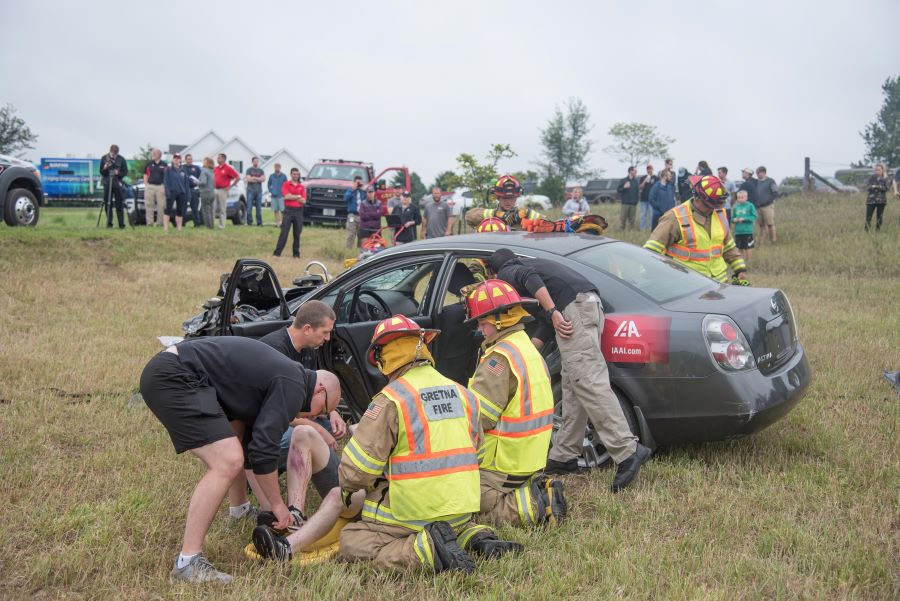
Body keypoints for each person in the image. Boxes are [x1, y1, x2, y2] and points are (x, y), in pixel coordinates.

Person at [138, 337, 340, 583]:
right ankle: (188, 562)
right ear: (320, 390)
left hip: (176, 370)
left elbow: (254, 448)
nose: (317, 416)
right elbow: (265, 449)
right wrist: (277, 505)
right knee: (227, 460)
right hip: (175, 376)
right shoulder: (294, 384)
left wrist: (269, 507)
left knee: (238, 434)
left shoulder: (287, 377)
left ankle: (240, 509)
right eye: (322, 410)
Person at [335, 316, 521, 573]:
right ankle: (471, 538)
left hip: (412, 514)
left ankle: (425, 550)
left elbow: (356, 472)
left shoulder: (391, 399)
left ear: (383, 359)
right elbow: (476, 454)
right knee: (453, 527)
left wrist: (348, 488)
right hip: (459, 511)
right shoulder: (463, 394)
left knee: (352, 541)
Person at [488, 249, 651, 492]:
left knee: (588, 381)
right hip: (585, 306)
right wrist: (531, 350)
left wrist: (553, 311)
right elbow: (544, 322)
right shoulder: (538, 267)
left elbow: (530, 278)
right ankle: (564, 455)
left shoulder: (509, 270)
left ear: (493, 273)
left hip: (573, 310)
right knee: (574, 384)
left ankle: (628, 451)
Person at [463, 279, 567, 528]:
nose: (479, 328)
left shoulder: (499, 359)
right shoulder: (526, 348)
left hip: (502, 463)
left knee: (460, 505)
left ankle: (535, 505)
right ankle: (530, 491)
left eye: (482, 321)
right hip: (531, 458)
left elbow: (480, 417)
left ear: (499, 320)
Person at [644, 175, 749, 285]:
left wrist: (740, 270)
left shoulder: (720, 214)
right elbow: (650, 251)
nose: (712, 210)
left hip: (719, 285)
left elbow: (729, 246)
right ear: (697, 197)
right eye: (709, 206)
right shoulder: (675, 217)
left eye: (715, 206)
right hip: (685, 286)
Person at [464, 175, 543, 230]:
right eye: (505, 198)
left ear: (516, 198)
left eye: (511, 198)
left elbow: (547, 223)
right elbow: (469, 216)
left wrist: (527, 214)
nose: (508, 201)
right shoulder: (490, 215)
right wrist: (498, 215)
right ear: (498, 197)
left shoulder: (524, 214)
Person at [273, 168, 305, 258]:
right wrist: (298, 196)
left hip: (298, 211)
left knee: (297, 233)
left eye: (297, 174)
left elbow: (304, 201)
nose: (296, 176)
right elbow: (286, 197)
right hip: (288, 211)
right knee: (284, 233)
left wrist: (293, 197)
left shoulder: (301, 186)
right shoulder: (286, 184)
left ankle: (296, 254)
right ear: (291, 174)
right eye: (294, 174)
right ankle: (277, 253)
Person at [99, 144, 127, 229]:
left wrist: (118, 173)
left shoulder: (121, 159)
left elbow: (125, 171)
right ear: (110, 151)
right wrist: (104, 168)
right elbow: (101, 172)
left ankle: (121, 225)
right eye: (113, 154)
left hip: (118, 183)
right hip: (108, 183)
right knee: (108, 204)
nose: (114, 155)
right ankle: (109, 224)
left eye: (116, 154)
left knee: (119, 204)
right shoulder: (104, 158)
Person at [163, 154, 190, 231]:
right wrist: (167, 192)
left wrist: (187, 195)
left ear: (180, 160)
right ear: (172, 159)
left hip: (182, 193)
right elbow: (166, 182)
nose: (176, 160)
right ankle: (165, 228)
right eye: (175, 158)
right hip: (171, 193)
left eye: (178, 158)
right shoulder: (168, 169)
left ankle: (179, 228)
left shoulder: (183, 170)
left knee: (180, 211)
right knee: (168, 210)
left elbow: (186, 184)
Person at [213, 153, 239, 229]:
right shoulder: (216, 168)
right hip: (215, 189)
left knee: (222, 209)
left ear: (223, 159)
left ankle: (221, 226)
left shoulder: (228, 168)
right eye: (217, 158)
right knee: (213, 208)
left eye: (219, 158)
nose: (217, 159)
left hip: (223, 190)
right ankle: (211, 225)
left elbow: (237, 177)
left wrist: (230, 186)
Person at [730, 189, 757, 262]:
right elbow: (732, 218)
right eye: (739, 198)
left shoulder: (750, 205)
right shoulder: (736, 207)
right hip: (738, 232)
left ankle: (750, 261)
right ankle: (741, 262)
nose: (740, 199)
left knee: (748, 247)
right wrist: (734, 220)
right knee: (739, 248)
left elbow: (754, 217)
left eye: (742, 197)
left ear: (746, 197)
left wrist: (744, 219)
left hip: (747, 231)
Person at [143, 148, 167, 227]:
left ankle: (159, 223)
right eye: (152, 153)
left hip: (160, 187)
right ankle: (149, 223)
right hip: (150, 186)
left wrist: (164, 187)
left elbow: (167, 177)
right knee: (149, 205)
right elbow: (145, 174)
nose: (153, 154)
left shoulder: (164, 164)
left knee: (161, 206)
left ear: (159, 155)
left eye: (155, 153)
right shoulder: (149, 164)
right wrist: (146, 185)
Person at [755, 166, 778, 243]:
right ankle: (762, 241)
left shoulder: (771, 181)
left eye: (758, 173)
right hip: (758, 207)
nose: (757, 175)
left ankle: (773, 240)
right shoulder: (756, 182)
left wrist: (768, 201)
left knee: (770, 224)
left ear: (763, 172)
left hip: (768, 206)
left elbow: (775, 193)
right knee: (761, 225)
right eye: (756, 173)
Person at [865, 163, 889, 232]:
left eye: (878, 170)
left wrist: (875, 186)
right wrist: (879, 187)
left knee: (879, 217)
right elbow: (868, 187)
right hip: (871, 200)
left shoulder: (885, 178)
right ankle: (867, 231)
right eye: (875, 170)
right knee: (868, 217)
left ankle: (877, 231)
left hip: (881, 201)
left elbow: (886, 188)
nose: (877, 171)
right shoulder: (871, 177)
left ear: (882, 170)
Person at [343, 175, 366, 249]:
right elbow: (345, 199)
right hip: (352, 215)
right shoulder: (350, 190)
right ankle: (348, 249)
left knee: (361, 234)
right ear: (354, 182)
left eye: (360, 182)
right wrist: (353, 189)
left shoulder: (363, 191)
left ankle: (359, 250)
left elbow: (368, 200)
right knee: (351, 234)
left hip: (362, 216)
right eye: (357, 182)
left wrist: (364, 189)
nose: (358, 184)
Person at [616, 166, 639, 230]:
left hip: (633, 204)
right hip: (625, 203)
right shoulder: (623, 180)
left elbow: (637, 192)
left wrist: (636, 201)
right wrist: (624, 187)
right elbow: (618, 190)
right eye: (635, 171)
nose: (636, 172)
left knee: (632, 219)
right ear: (630, 171)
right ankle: (621, 230)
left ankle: (630, 231)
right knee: (623, 218)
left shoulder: (636, 181)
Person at [244, 156, 265, 226]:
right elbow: (248, 179)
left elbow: (263, 179)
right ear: (252, 162)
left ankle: (259, 223)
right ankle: (249, 222)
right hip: (250, 191)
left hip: (259, 191)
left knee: (258, 208)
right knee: (249, 207)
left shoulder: (261, 170)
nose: (256, 162)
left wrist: (254, 178)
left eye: (257, 161)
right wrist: (258, 178)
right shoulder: (249, 170)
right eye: (255, 161)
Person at [182, 154, 202, 227]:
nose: (189, 160)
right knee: (183, 208)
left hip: (193, 190)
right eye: (188, 159)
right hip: (184, 191)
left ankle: (196, 224)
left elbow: (201, 179)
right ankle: (182, 224)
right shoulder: (182, 168)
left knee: (195, 208)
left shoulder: (196, 168)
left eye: (191, 159)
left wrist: (197, 182)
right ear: (186, 160)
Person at [638, 165, 658, 230]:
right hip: (643, 200)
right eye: (648, 169)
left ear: (653, 169)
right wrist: (645, 181)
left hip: (652, 200)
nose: (649, 170)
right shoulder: (643, 178)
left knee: (652, 215)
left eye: (650, 169)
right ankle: (642, 228)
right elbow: (640, 187)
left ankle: (651, 228)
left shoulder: (656, 178)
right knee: (643, 215)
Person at [267, 163, 287, 228]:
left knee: (282, 210)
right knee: (275, 210)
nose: (277, 168)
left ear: (280, 167)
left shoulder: (284, 176)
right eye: (276, 167)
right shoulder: (271, 176)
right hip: (274, 196)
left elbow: (286, 185)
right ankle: (277, 223)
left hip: (281, 196)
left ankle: (283, 223)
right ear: (274, 167)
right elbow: (269, 184)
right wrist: (271, 191)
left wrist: (283, 192)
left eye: (278, 167)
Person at [198, 157, 216, 229]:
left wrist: (196, 182)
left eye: (204, 161)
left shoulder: (204, 171)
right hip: (212, 192)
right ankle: (211, 225)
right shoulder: (212, 171)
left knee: (206, 211)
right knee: (211, 210)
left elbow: (203, 182)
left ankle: (208, 226)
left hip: (205, 192)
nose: (203, 162)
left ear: (207, 163)